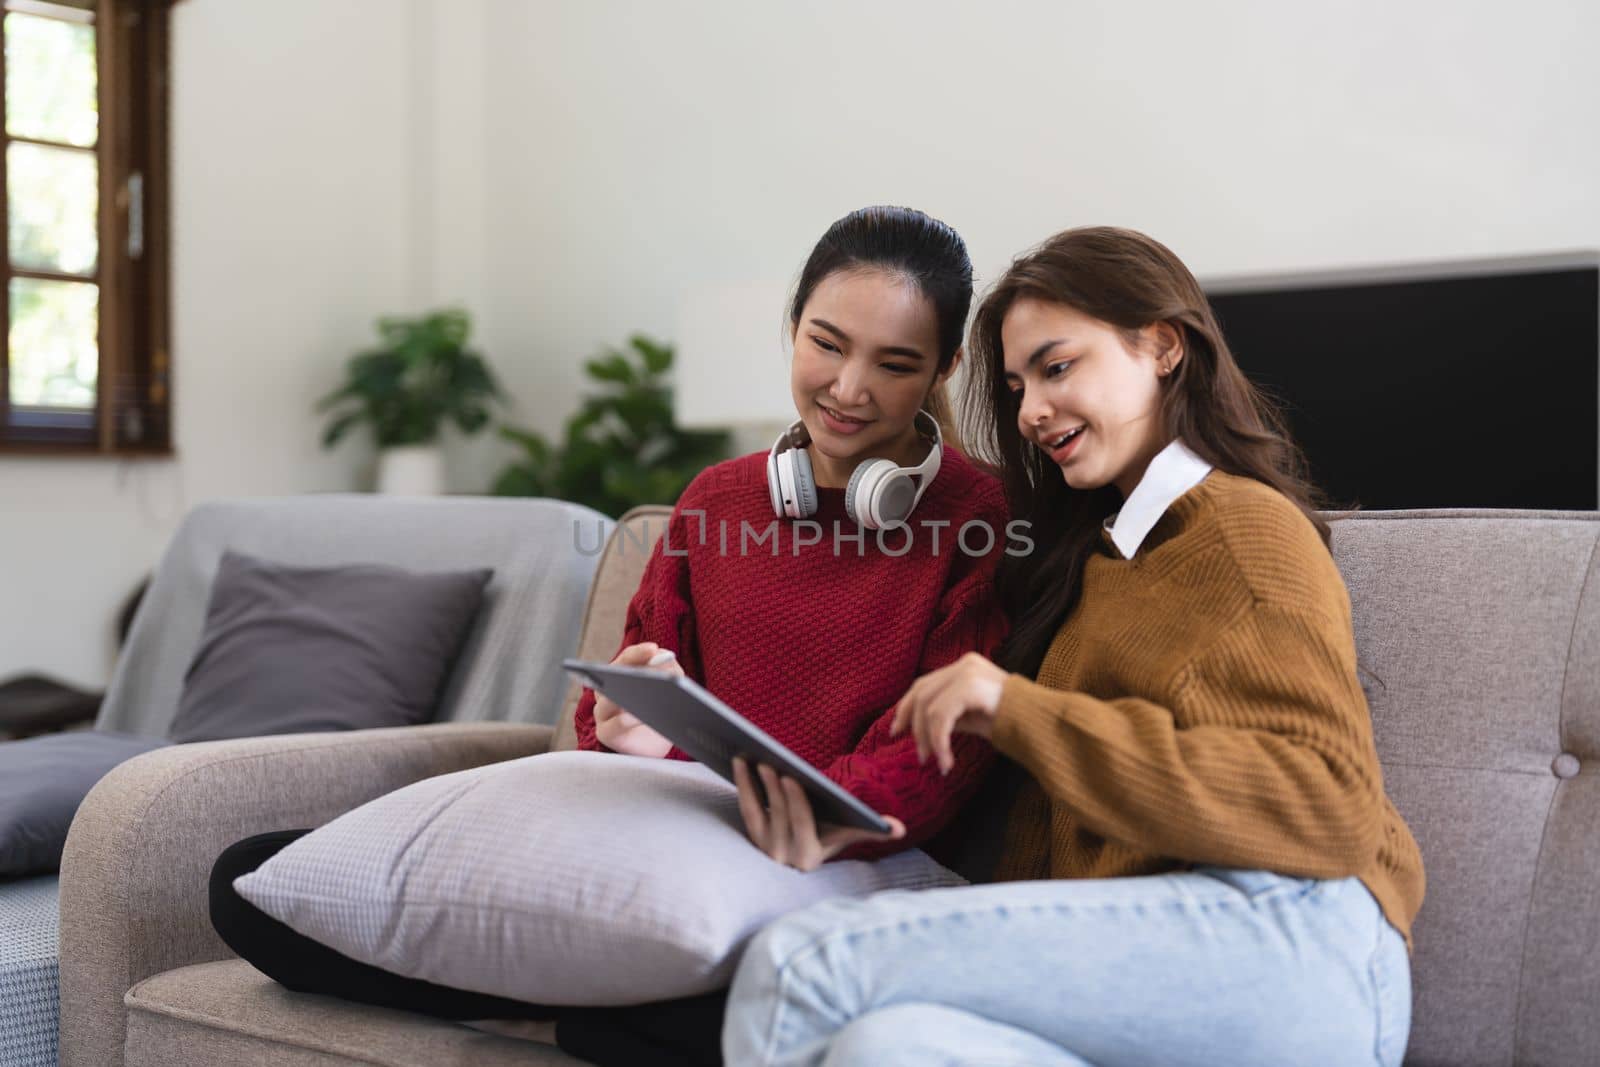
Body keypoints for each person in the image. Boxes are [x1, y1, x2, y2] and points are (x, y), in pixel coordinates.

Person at [208, 206, 1010, 1067]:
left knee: (760, 1001)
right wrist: (628, 731)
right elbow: (618, 707)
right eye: (826, 343)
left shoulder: (980, 515)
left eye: (894, 365)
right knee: (247, 881)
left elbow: (952, 741)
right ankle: (590, 1017)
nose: (849, 388)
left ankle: (558, 1013)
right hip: (685, 843)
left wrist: (819, 820)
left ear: (944, 368)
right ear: (791, 326)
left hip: (848, 859)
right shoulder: (714, 502)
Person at [722, 226, 1427, 1067]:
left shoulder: (1244, 533)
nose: (1031, 412)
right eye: (1019, 386)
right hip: (1173, 962)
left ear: (1163, 346)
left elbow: (1329, 807)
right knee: (889, 1047)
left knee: (802, 960)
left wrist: (1017, 709)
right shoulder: (1102, 562)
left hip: (1302, 942)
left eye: (1058, 368)